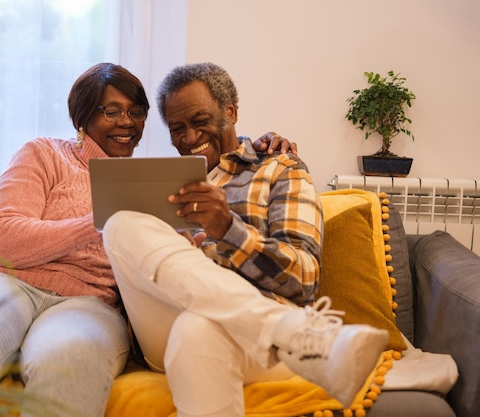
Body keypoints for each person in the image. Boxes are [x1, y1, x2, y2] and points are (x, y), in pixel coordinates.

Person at [0, 62, 295, 417]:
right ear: (82, 118)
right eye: (112, 111)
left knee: (70, 359)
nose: (127, 123)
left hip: (89, 302)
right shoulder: (44, 154)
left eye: (136, 112)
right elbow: (2, 240)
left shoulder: (153, 178)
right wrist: (102, 217)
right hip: (0, 281)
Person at [102, 62, 388, 417]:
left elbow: (305, 279)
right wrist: (179, 252)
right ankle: (299, 335)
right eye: (177, 129)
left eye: (199, 121)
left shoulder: (279, 167)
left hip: (249, 340)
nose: (189, 138)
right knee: (120, 224)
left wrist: (227, 230)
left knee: (197, 331)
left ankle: (287, 331)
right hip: (166, 323)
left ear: (230, 111)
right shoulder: (159, 184)